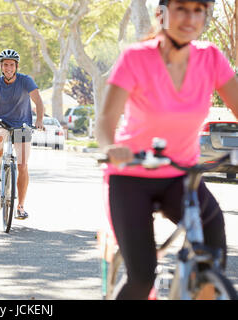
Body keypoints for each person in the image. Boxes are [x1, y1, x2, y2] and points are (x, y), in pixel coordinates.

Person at [95, 0, 238, 299]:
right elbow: (106, 120)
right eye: (182, 8)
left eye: (198, 10)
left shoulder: (210, 57)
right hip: (132, 173)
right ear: (164, 13)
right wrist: (111, 148)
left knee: (212, 246)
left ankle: (200, 287)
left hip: (181, 176)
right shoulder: (136, 58)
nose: (191, 17)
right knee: (142, 276)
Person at [0, 49, 45, 219]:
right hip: (3, 121)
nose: (8, 67)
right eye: (5, 65)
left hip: (23, 124)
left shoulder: (26, 81)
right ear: (1, 67)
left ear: (16, 66)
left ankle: (21, 206)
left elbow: (38, 101)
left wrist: (39, 120)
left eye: (11, 64)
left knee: (22, 165)